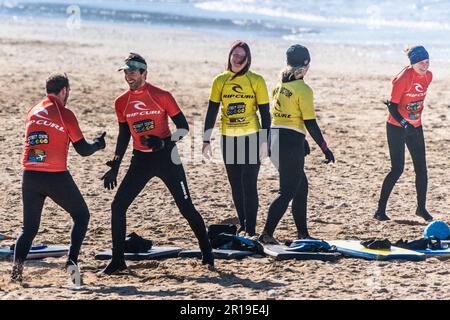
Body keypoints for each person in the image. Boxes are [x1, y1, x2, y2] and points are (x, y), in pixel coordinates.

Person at [101, 53, 214, 275]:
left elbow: (183, 128)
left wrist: (164, 141)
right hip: (141, 160)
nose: (128, 75)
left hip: (166, 158)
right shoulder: (121, 102)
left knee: (186, 207)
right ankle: (117, 261)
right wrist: (115, 164)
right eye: (126, 70)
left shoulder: (161, 95)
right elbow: (124, 134)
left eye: (133, 70)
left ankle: (207, 254)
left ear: (144, 72)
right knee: (118, 206)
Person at [11, 73, 106, 282]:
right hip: (55, 177)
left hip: (29, 175)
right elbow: (82, 150)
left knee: (29, 229)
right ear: (64, 91)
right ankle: (72, 265)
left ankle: (16, 274)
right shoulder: (65, 114)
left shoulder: (33, 110)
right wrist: (98, 144)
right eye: (68, 91)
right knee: (81, 215)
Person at [259, 44, 335, 243]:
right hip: (289, 143)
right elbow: (310, 122)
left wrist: (303, 142)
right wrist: (324, 148)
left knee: (300, 188)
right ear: (306, 63)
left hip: (276, 139)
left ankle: (303, 233)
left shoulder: (279, 85)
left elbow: (284, 119)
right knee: (287, 191)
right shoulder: (304, 89)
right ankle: (266, 234)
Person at [202, 41, 271, 237]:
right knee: (236, 185)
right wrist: (206, 140)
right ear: (230, 56)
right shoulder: (220, 80)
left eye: (242, 57)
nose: (238, 59)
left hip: (252, 137)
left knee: (249, 183)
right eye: (235, 55)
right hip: (228, 139)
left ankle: (251, 229)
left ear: (248, 59)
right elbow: (212, 111)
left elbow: (266, 114)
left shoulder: (256, 80)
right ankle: (243, 225)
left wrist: (266, 141)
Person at [374, 46, 433, 222]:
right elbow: (392, 107)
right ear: (413, 62)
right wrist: (404, 123)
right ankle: (380, 211)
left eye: (427, 61)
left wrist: (412, 123)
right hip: (396, 127)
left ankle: (421, 209)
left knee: (421, 169)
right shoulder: (402, 79)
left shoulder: (428, 76)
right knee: (397, 169)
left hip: (415, 126)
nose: (425, 65)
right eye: (421, 62)